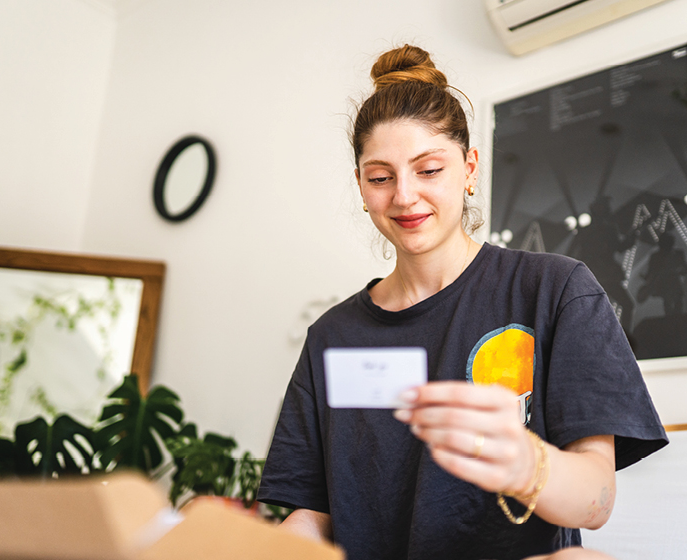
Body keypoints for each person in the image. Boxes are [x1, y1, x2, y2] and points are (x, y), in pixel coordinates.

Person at [257, 45, 667, 560]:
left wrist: (524, 463)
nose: (404, 197)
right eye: (380, 177)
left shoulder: (555, 291)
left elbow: (595, 501)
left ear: (470, 168)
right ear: (362, 186)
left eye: (428, 170)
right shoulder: (332, 338)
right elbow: (309, 516)